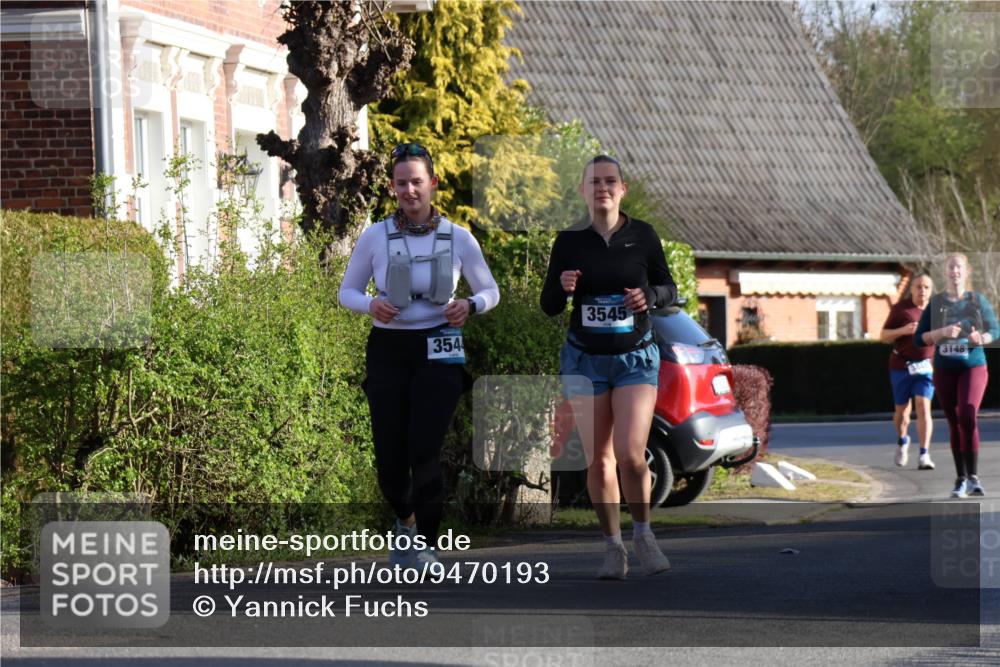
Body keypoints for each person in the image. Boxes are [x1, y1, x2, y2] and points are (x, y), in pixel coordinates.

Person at [339, 143, 500, 565]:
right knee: (390, 458)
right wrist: (370, 304)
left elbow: (490, 291)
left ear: (433, 183)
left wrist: (470, 305)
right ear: (392, 187)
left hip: (440, 345)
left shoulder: (458, 237)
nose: (410, 190)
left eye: (417, 181)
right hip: (389, 348)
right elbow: (347, 291)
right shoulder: (375, 235)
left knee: (425, 447)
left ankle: (426, 544)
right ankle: (405, 524)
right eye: (401, 183)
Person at [541, 155, 678, 579]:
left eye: (610, 181)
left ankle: (643, 534)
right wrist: (562, 289)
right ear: (582, 190)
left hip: (634, 357)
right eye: (594, 181)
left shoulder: (644, 236)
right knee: (598, 461)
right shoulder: (568, 241)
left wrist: (649, 297)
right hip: (585, 360)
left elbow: (669, 288)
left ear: (622, 190)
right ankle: (612, 547)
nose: (602, 187)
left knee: (630, 454)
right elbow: (548, 306)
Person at [914, 253, 998, 498]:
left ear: (966, 271)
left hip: (973, 366)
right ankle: (960, 478)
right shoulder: (937, 302)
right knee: (953, 421)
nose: (955, 272)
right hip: (945, 369)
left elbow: (995, 330)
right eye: (951, 267)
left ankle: (974, 477)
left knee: (968, 413)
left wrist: (981, 338)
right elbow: (919, 338)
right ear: (945, 272)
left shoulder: (977, 300)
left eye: (959, 267)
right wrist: (941, 332)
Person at [879, 272, 935, 469]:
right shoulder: (900, 309)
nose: (922, 290)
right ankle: (903, 441)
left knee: (923, 406)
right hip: (901, 366)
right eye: (918, 286)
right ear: (911, 289)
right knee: (902, 414)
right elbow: (883, 335)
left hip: (926, 367)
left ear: (931, 290)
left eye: (926, 287)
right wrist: (903, 331)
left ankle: (924, 455)